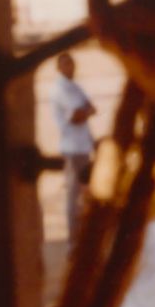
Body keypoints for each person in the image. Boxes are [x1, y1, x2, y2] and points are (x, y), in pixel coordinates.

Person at [52, 53, 97, 243]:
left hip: (83, 146)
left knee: (86, 193)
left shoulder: (75, 87)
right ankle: (73, 241)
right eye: (66, 64)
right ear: (59, 68)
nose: (70, 67)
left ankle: (83, 239)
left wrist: (85, 112)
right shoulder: (60, 89)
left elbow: (91, 108)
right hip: (71, 148)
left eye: (72, 63)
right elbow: (77, 116)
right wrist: (85, 112)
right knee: (73, 195)